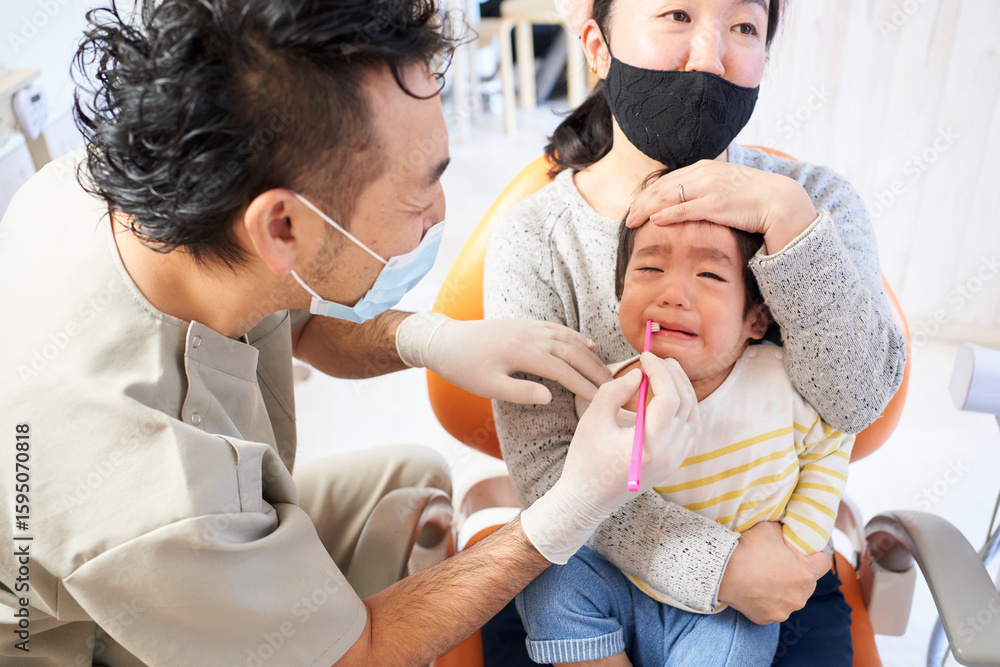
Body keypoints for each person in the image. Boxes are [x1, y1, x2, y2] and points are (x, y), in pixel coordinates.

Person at [0, 1, 705, 664]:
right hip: (83, 635)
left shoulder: (130, 193)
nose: (441, 212)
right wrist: (574, 505)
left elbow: (296, 316)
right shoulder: (159, 493)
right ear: (283, 227)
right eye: (417, 193)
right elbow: (358, 652)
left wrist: (428, 338)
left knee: (414, 485)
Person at [483, 0, 907, 663]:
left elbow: (854, 402)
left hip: (773, 584)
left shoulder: (816, 203)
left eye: (744, 27)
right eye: (677, 14)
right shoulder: (535, 237)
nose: (709, 56)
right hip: (592, 560)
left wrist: (787, 222)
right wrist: (720, 568)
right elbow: (546, 469)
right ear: (597, 45)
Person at [514, 213, 855, 665]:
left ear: (757, 319)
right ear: (621, 294)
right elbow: (578, 505)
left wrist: (795, 547)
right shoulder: (600, 396)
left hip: (731, 610)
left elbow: (832, 443)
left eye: (710, 274)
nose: (672, 293)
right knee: (545, 577)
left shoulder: (781, 385)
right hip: (622, 581)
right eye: (650, 269)